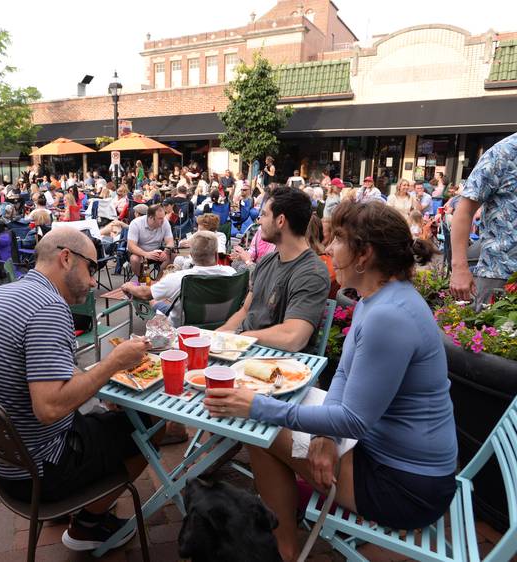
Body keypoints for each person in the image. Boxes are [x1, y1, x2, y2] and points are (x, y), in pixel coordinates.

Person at [204, 201, 455, 561]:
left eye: (338, 240)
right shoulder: (378, 299)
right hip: (391, 459)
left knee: (260, 424)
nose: (329, 248)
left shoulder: (388, 316)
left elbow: (353, 419)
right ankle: (285, 545)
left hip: (404, 487)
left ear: (364, 254)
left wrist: (257, 405)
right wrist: (325, 434)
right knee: (266, 424)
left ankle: (284, 550)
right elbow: (343, 373)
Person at [0, 228, 160, 552]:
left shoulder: (1, 294)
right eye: (92, 268)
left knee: (106, 414)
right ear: (66, 258)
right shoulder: (48, 308)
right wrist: (113, 364)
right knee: (149, 427)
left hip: (2, 460)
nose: (95, 281)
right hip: (40, 472)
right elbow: (50, 408)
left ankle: (81, 506)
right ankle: (87, 527)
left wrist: (98, 376)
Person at [217, 187, 330, 353]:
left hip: (274, 365)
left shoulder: (312, 272)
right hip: (242, 350)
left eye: (264, 215)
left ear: (280, 221)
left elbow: (293, 337)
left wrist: (243, 337)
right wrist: (219, 336)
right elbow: (246, 310)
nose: (259, 221)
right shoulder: (267, 261)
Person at [450, 132, 517, 307]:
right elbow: (464, 211)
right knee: (491, 331)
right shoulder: (504, 152)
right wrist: (459, 268)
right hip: (500, 273)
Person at [122, 231, 235, 326]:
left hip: (183, 326)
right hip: (220, 324)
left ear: (191, 255)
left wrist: (128, 286)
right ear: (216, 254)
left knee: (153, 299)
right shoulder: (231, 273)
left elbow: (144, 293)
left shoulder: (178, 278)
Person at [127, 204, 175, 277]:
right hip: (140, 252)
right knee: (134, 259)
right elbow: (131, 246)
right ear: (151, 217)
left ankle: (158, 280)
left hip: (157, 251)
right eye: (160, 218)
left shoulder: (164, 222)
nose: (163, 220)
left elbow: (170, 242)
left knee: (173, 254)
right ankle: (143, 279)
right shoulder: (136, 223)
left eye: (163, 217)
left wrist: (166, 251)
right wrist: (146, 254)